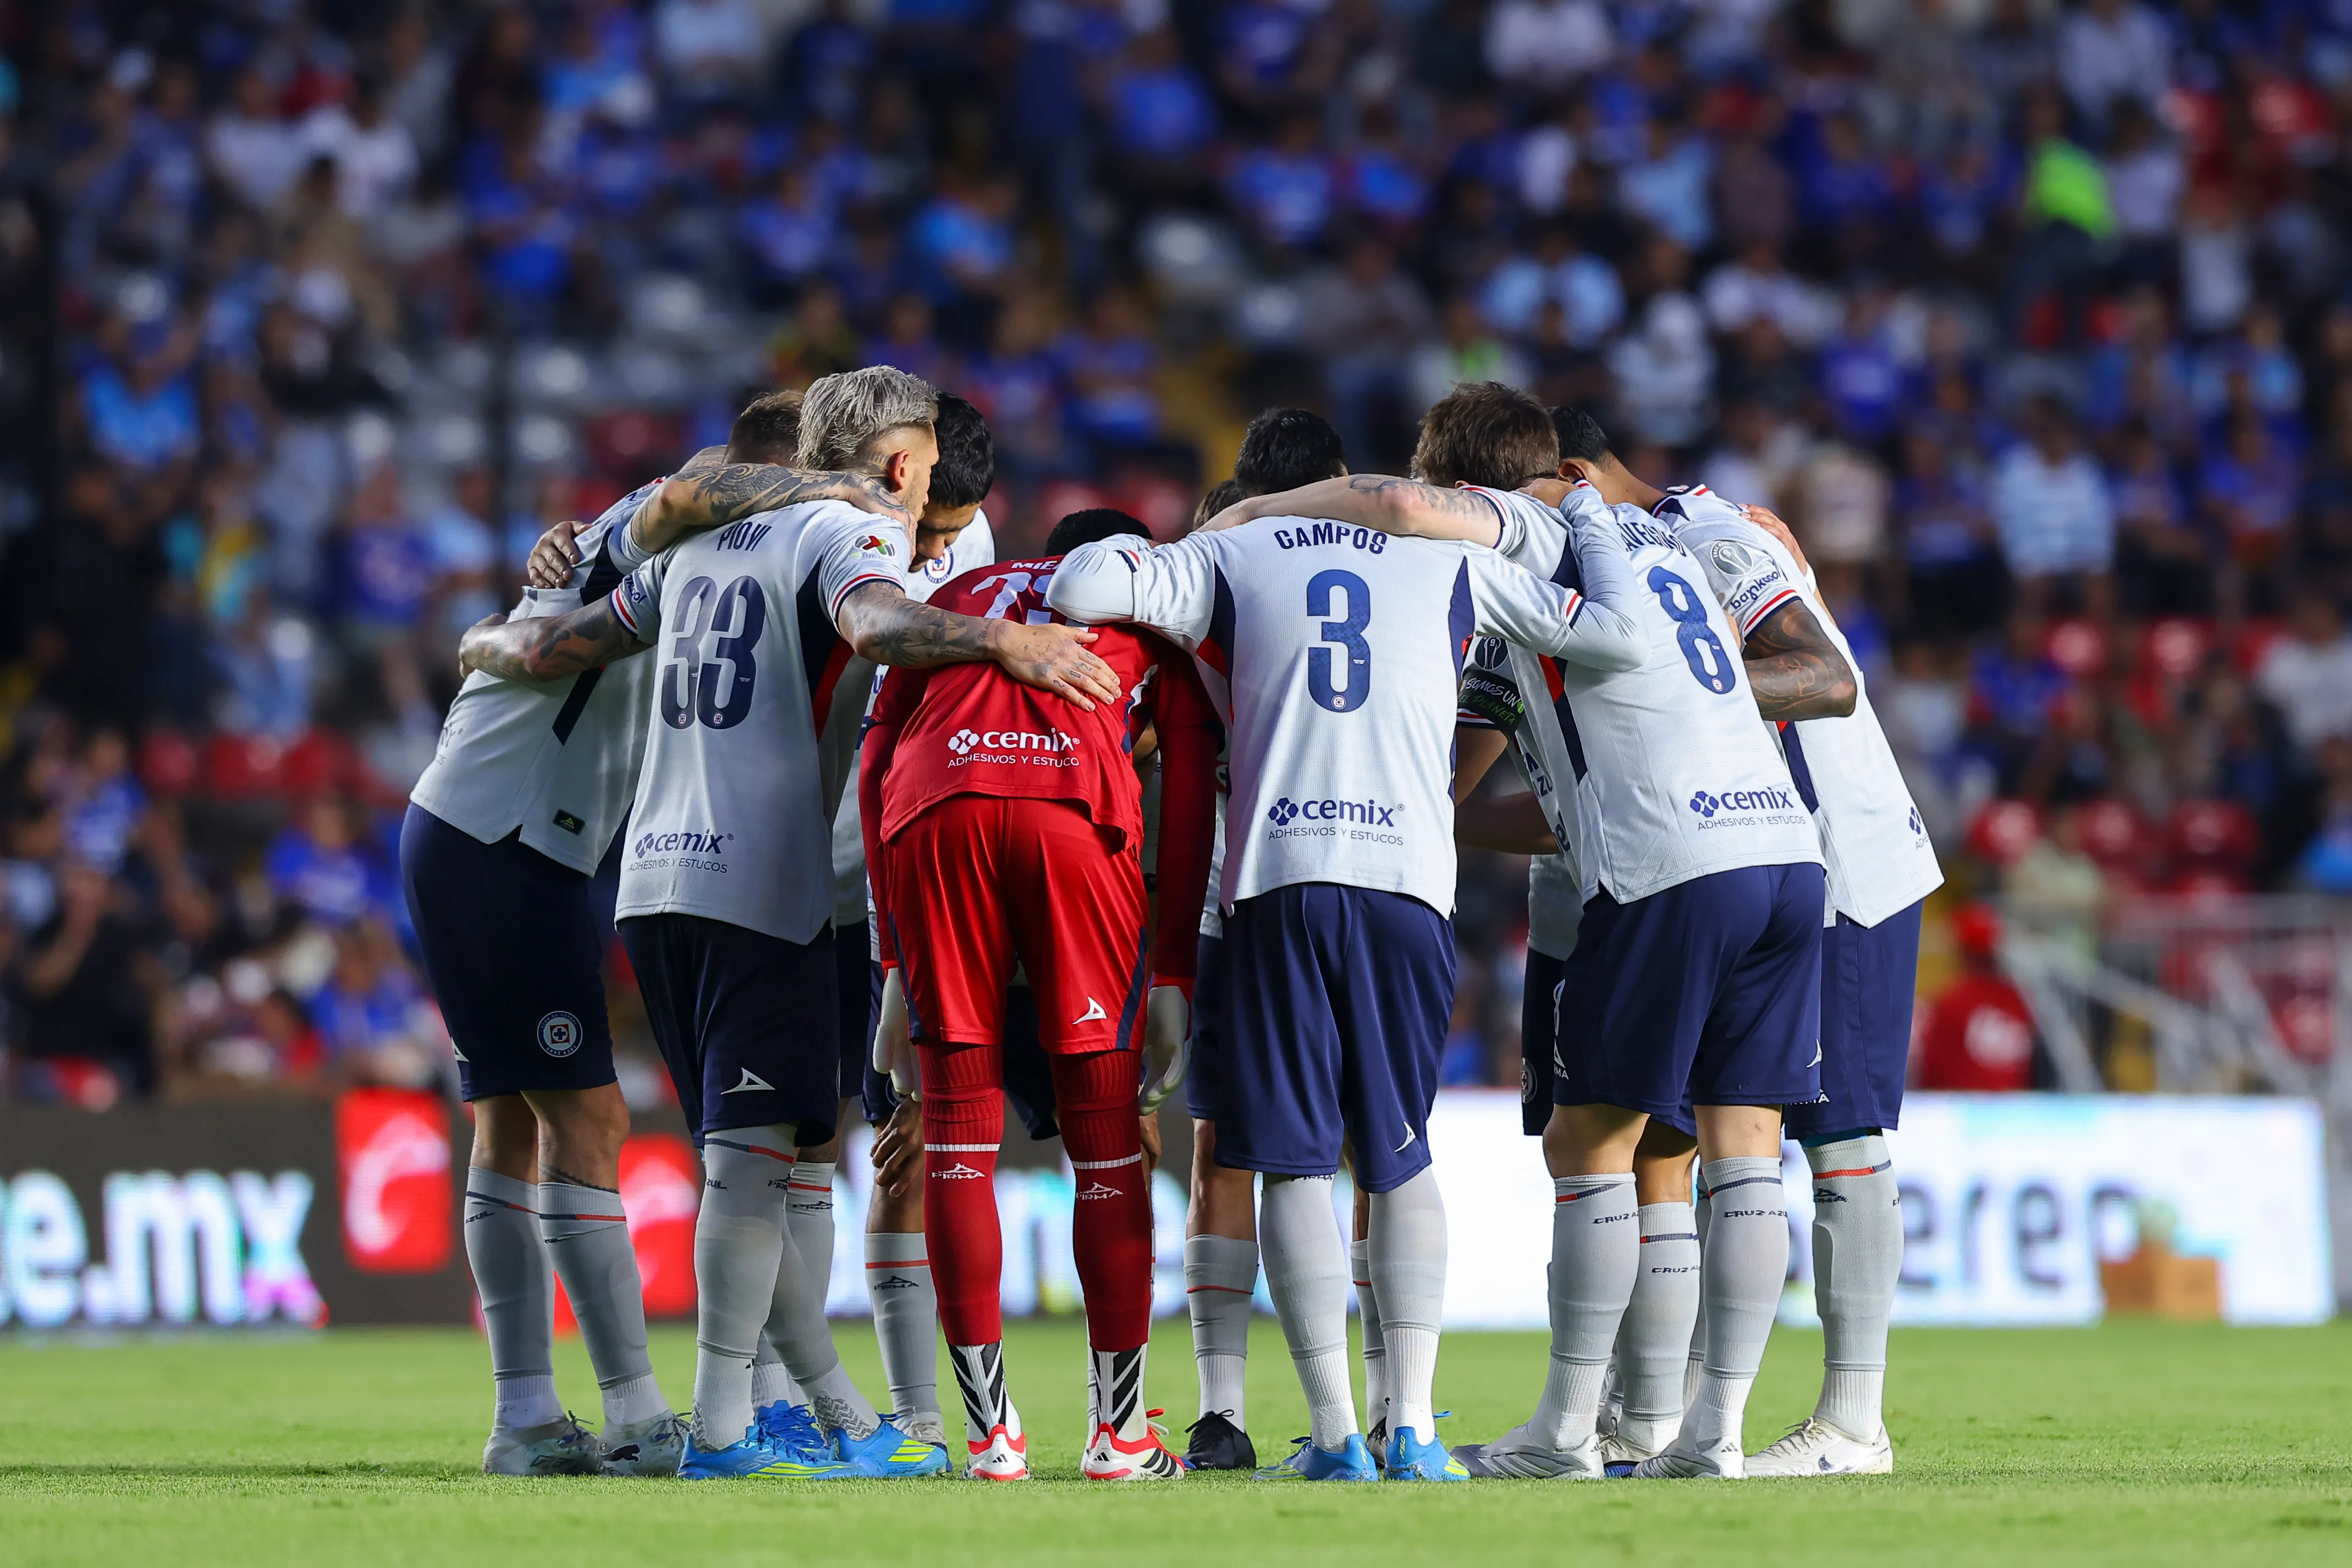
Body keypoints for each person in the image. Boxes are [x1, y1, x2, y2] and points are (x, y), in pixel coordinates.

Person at [456, 367, 1120, 1481]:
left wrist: (481, 642)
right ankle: (725, 1427)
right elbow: (877, 623)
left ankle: (820, 1414)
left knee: (754, 1160)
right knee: (756, 1167)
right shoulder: (840, 533)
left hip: (652, 887)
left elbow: (556, 646)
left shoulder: (693, 550)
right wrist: (1001, 643)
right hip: (761, 881)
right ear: (905, 463)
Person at [1210, 384, 1826, 1480]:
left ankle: (1562, 1432)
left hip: (1670, 856)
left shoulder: (1533, 527)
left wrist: (1262, 513)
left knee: (1589, 1144)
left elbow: (1395, 506)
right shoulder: (1669, 538)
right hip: (1781, 849)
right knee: (1744, 1149)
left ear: (1465, 484)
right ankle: (1712, 1436)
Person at [1047, 415, 1647, 1484]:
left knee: (1281, 1160)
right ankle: (1408, 1427)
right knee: (1397, 1145)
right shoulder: (1446, 552)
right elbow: (1606, 633)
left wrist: (1245, 518)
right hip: (1410, 883)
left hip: (1276, 876)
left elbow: (1082, 584)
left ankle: (1332, 1435)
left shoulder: (1228, 548)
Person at [404, 390, 899, 1478]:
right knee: (585, 1117)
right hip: (504, 835)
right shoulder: (668, 520)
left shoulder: (684, 549)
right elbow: (679, 495)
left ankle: (527, 1414)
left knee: (512, 1125)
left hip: (492, 830)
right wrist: (838, 485)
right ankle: (631, 1410)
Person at [862, 506, 1219, 1481]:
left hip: (932, 815)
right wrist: (1175, 974)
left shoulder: (959, 598)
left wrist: (892, 955)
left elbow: (873, 761)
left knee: (960, 1135)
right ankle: (1120, 1434)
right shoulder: (1153, 615)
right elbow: (1184, 806)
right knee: (1107, 1140)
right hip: (1073, 819)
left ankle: (989, 1436)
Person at [1646, 428, 1944, 1476]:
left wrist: (1685, 679)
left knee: (1839, 1129)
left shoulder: (1707, 534)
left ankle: (1854, 1422)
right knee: (1727, 1128)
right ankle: (1681, 1416)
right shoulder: (1675, 538)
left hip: (1842, 861)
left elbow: (1824, 677)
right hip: (1762, 859)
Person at [1178, 409, 1352, 1474]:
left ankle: (1223, 1407)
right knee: (1370, 1145)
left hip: (1230, 895)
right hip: (1353, 873)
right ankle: (1379, 1410)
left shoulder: (1207, 575)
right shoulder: (1374, 563)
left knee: (1227, 1149)